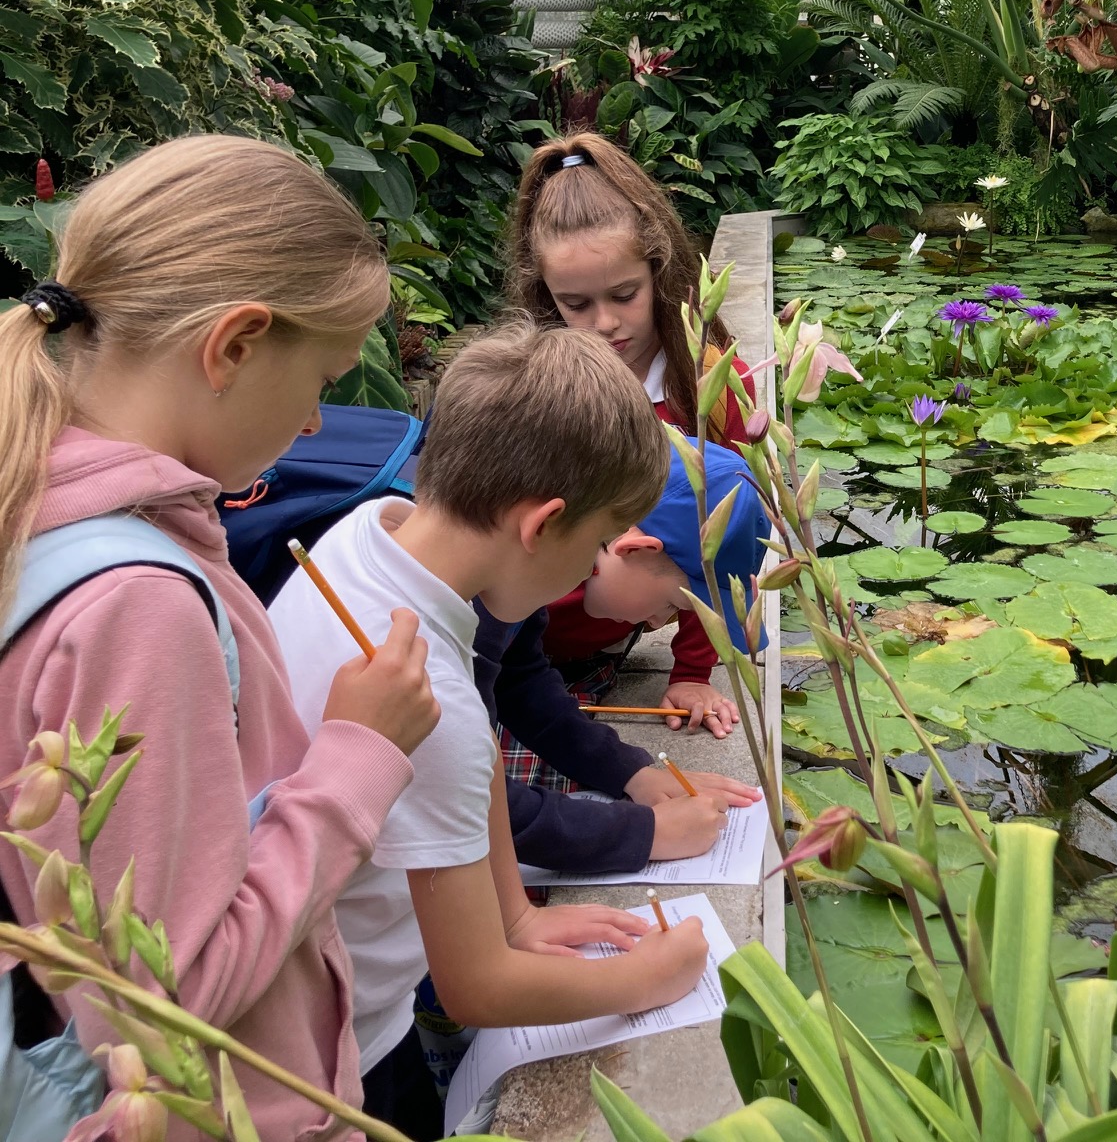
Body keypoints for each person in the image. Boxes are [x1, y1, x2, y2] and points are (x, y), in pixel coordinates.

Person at [0, 135, 441, 1142]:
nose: (317, 424)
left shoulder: (35, 508)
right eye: (322, 378)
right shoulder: (136, 605)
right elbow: (170, 1000)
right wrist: (358, 755)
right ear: (235, 344)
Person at [270, 323, 708, 1138]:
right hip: (338, 1051)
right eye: (597, 542)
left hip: (323, 982)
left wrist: (518, 916)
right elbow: (477, 988)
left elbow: (472, 778)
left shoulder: (374, 534)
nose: (593, 566)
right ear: (541, 526)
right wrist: (649, 977)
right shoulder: (427, 699)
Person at [507, 133, 757, 738]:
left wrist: (692, 670)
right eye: (575, 304)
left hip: (603, 638)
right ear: (545, 295)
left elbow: (716, 546)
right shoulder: (533, 390)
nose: (605, 323)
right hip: (511, 643)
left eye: (625, 294)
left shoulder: (712, 386)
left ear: (659, 270)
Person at [477, 432, 769, 876]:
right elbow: (457, 796)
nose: (657, 623)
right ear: (633, 547)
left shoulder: (517, 576)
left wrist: (628, 772)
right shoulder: (468, 600)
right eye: (672, 605)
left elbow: (519, 678)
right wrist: (643, 833)